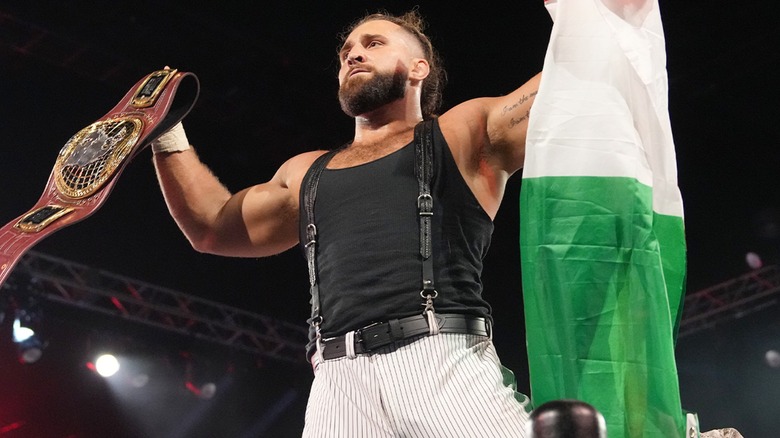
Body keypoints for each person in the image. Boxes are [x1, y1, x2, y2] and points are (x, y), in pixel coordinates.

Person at [152, 9, 540, 437]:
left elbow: (568, 88)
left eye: (373, 44)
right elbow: (211, 227)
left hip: (443, 363)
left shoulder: (462, 134)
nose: (353, 55)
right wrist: (165, 130)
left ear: (418, 68)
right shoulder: (306, 174)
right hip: (337, 385)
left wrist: (594, 18)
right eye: (346, 52)